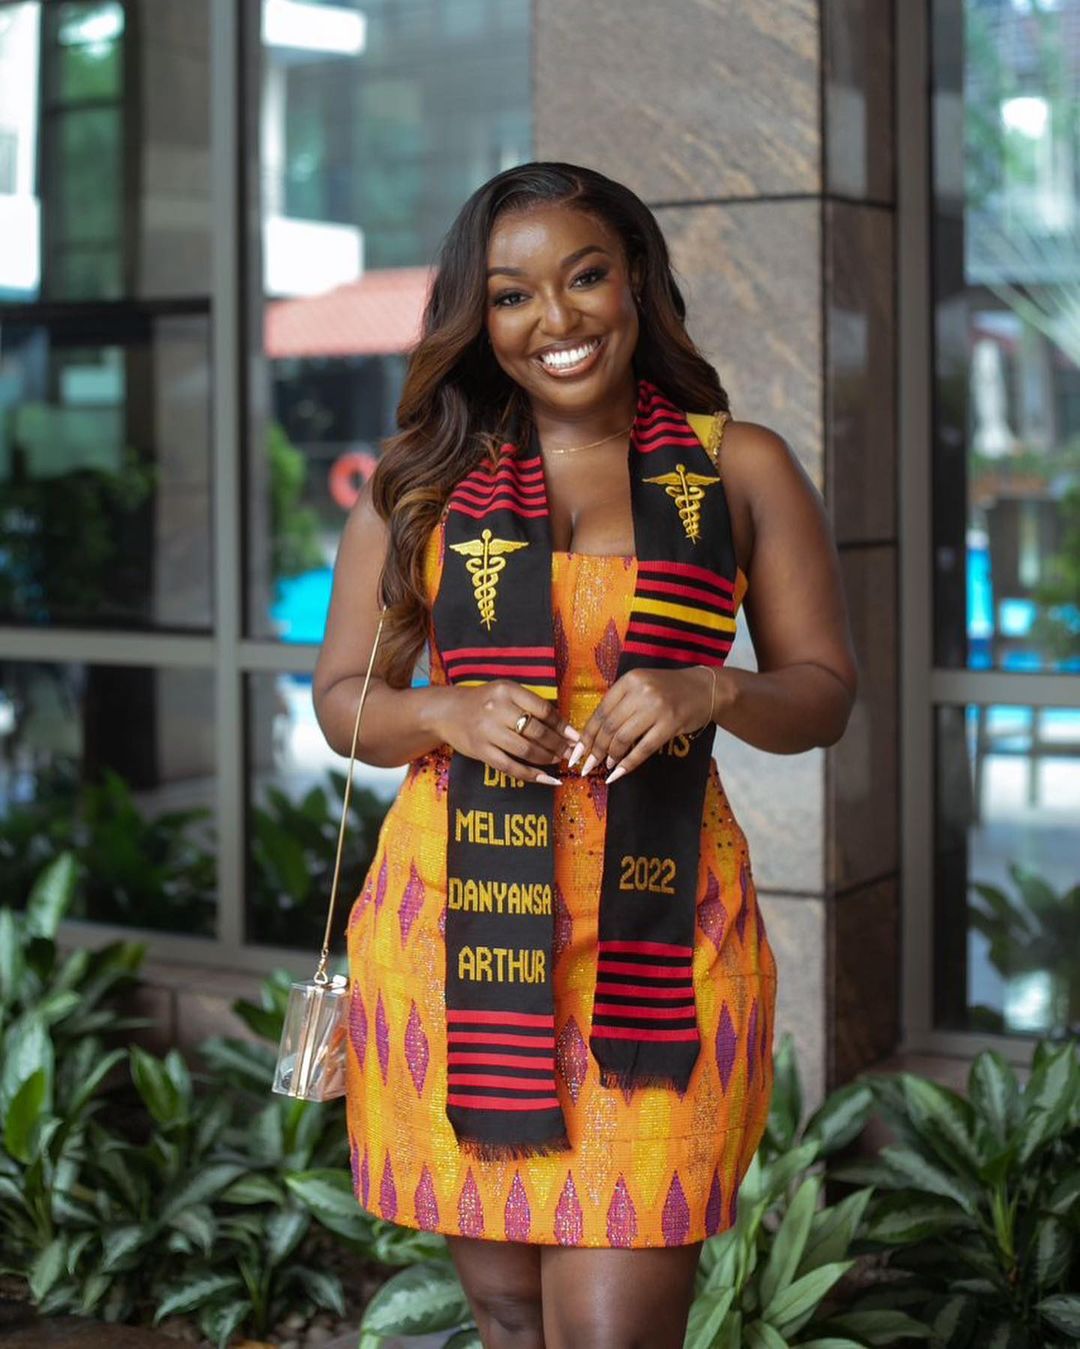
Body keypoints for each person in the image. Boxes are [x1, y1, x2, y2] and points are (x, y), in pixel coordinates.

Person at [313, 161, 856, 1349]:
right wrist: (444, 713)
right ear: (479, 318)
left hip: (662, 939)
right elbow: (345, 704)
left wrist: (714, 684)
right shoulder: (420, 485)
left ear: (637, 281)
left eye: (586, 277)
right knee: (511, 1314)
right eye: (512, 295)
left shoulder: (739, 468)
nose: (555, 319)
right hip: (457, 937)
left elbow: (822, 693)